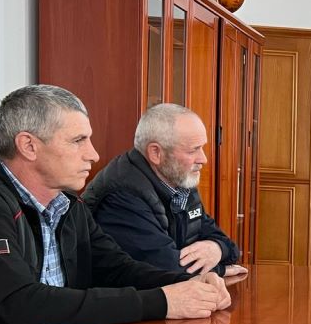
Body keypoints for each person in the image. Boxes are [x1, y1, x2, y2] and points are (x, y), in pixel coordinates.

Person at [0, 85, 230, 324]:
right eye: (78, 141)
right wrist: (162, 301)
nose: (93, 154)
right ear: (29, 146)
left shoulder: (69, 205)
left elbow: (117, 268)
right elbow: (17, 303)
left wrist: (190, 283)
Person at [83, 103, 244, 277]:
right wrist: (220, 270)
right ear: (156, 153)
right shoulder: (123, 194)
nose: (203, 159)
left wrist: (217, 248)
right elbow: (163, 268)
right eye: (193, 150)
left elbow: (226, 243)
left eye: (202, 148)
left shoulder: (180, 181)